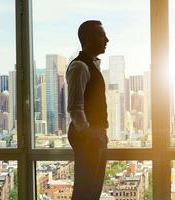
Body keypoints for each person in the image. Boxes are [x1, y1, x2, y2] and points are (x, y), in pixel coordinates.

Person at [66, 20, 109, 200]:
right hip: (88, 136)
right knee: (85, 191)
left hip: (95, 134)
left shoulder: (90, 64)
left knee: (93, 190)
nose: (107, 39)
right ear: (89, 38)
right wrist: (88, 135)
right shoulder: (80, 66)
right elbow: (75, 107)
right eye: (102, 35)